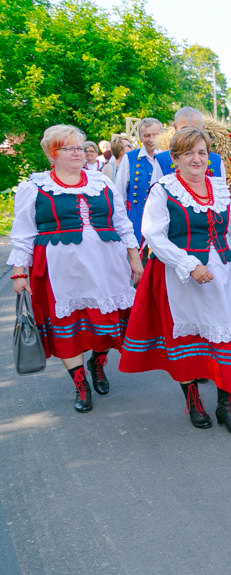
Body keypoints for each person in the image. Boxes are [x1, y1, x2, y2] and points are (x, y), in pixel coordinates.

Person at [119, 127, 231, 435]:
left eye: (202, 152)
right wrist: (188, 264)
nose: (196, 158)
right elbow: (153, 234)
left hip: (221, 271)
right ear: (175, 157)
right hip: (178, 275)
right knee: (188, 339)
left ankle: (226, 404)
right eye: (189, 152)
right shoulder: (163, 189)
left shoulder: (219, 187)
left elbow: (230, 231)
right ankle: (193, 399)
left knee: (227, 336)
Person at [8, 124, 143, 412]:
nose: (77, 153)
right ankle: (80, 381)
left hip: (106, 267)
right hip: (61, 272)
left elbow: (121, 223)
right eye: (68, 148)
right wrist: (20, 273)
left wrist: (134, 257)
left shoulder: (102, 182)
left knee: (107, 324)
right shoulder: (34, 187)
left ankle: (98, 361)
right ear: (51, 154)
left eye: (79, 148)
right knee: (65, 328)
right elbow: (22, 235)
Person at [114, 117, 163, 244]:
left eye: (155, 135)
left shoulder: (170, 157)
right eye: (146, 135)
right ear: (141, 137)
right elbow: (119, 195)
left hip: (164, 224)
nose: (151, 139)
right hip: (137, 222)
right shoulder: (129, 158)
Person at [154, 107, 224, 181]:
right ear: (175, 128)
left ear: (202, 129)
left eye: (195, 129)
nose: (190, 134)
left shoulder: (217, 160)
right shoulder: (162, 160)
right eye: (184, 129)